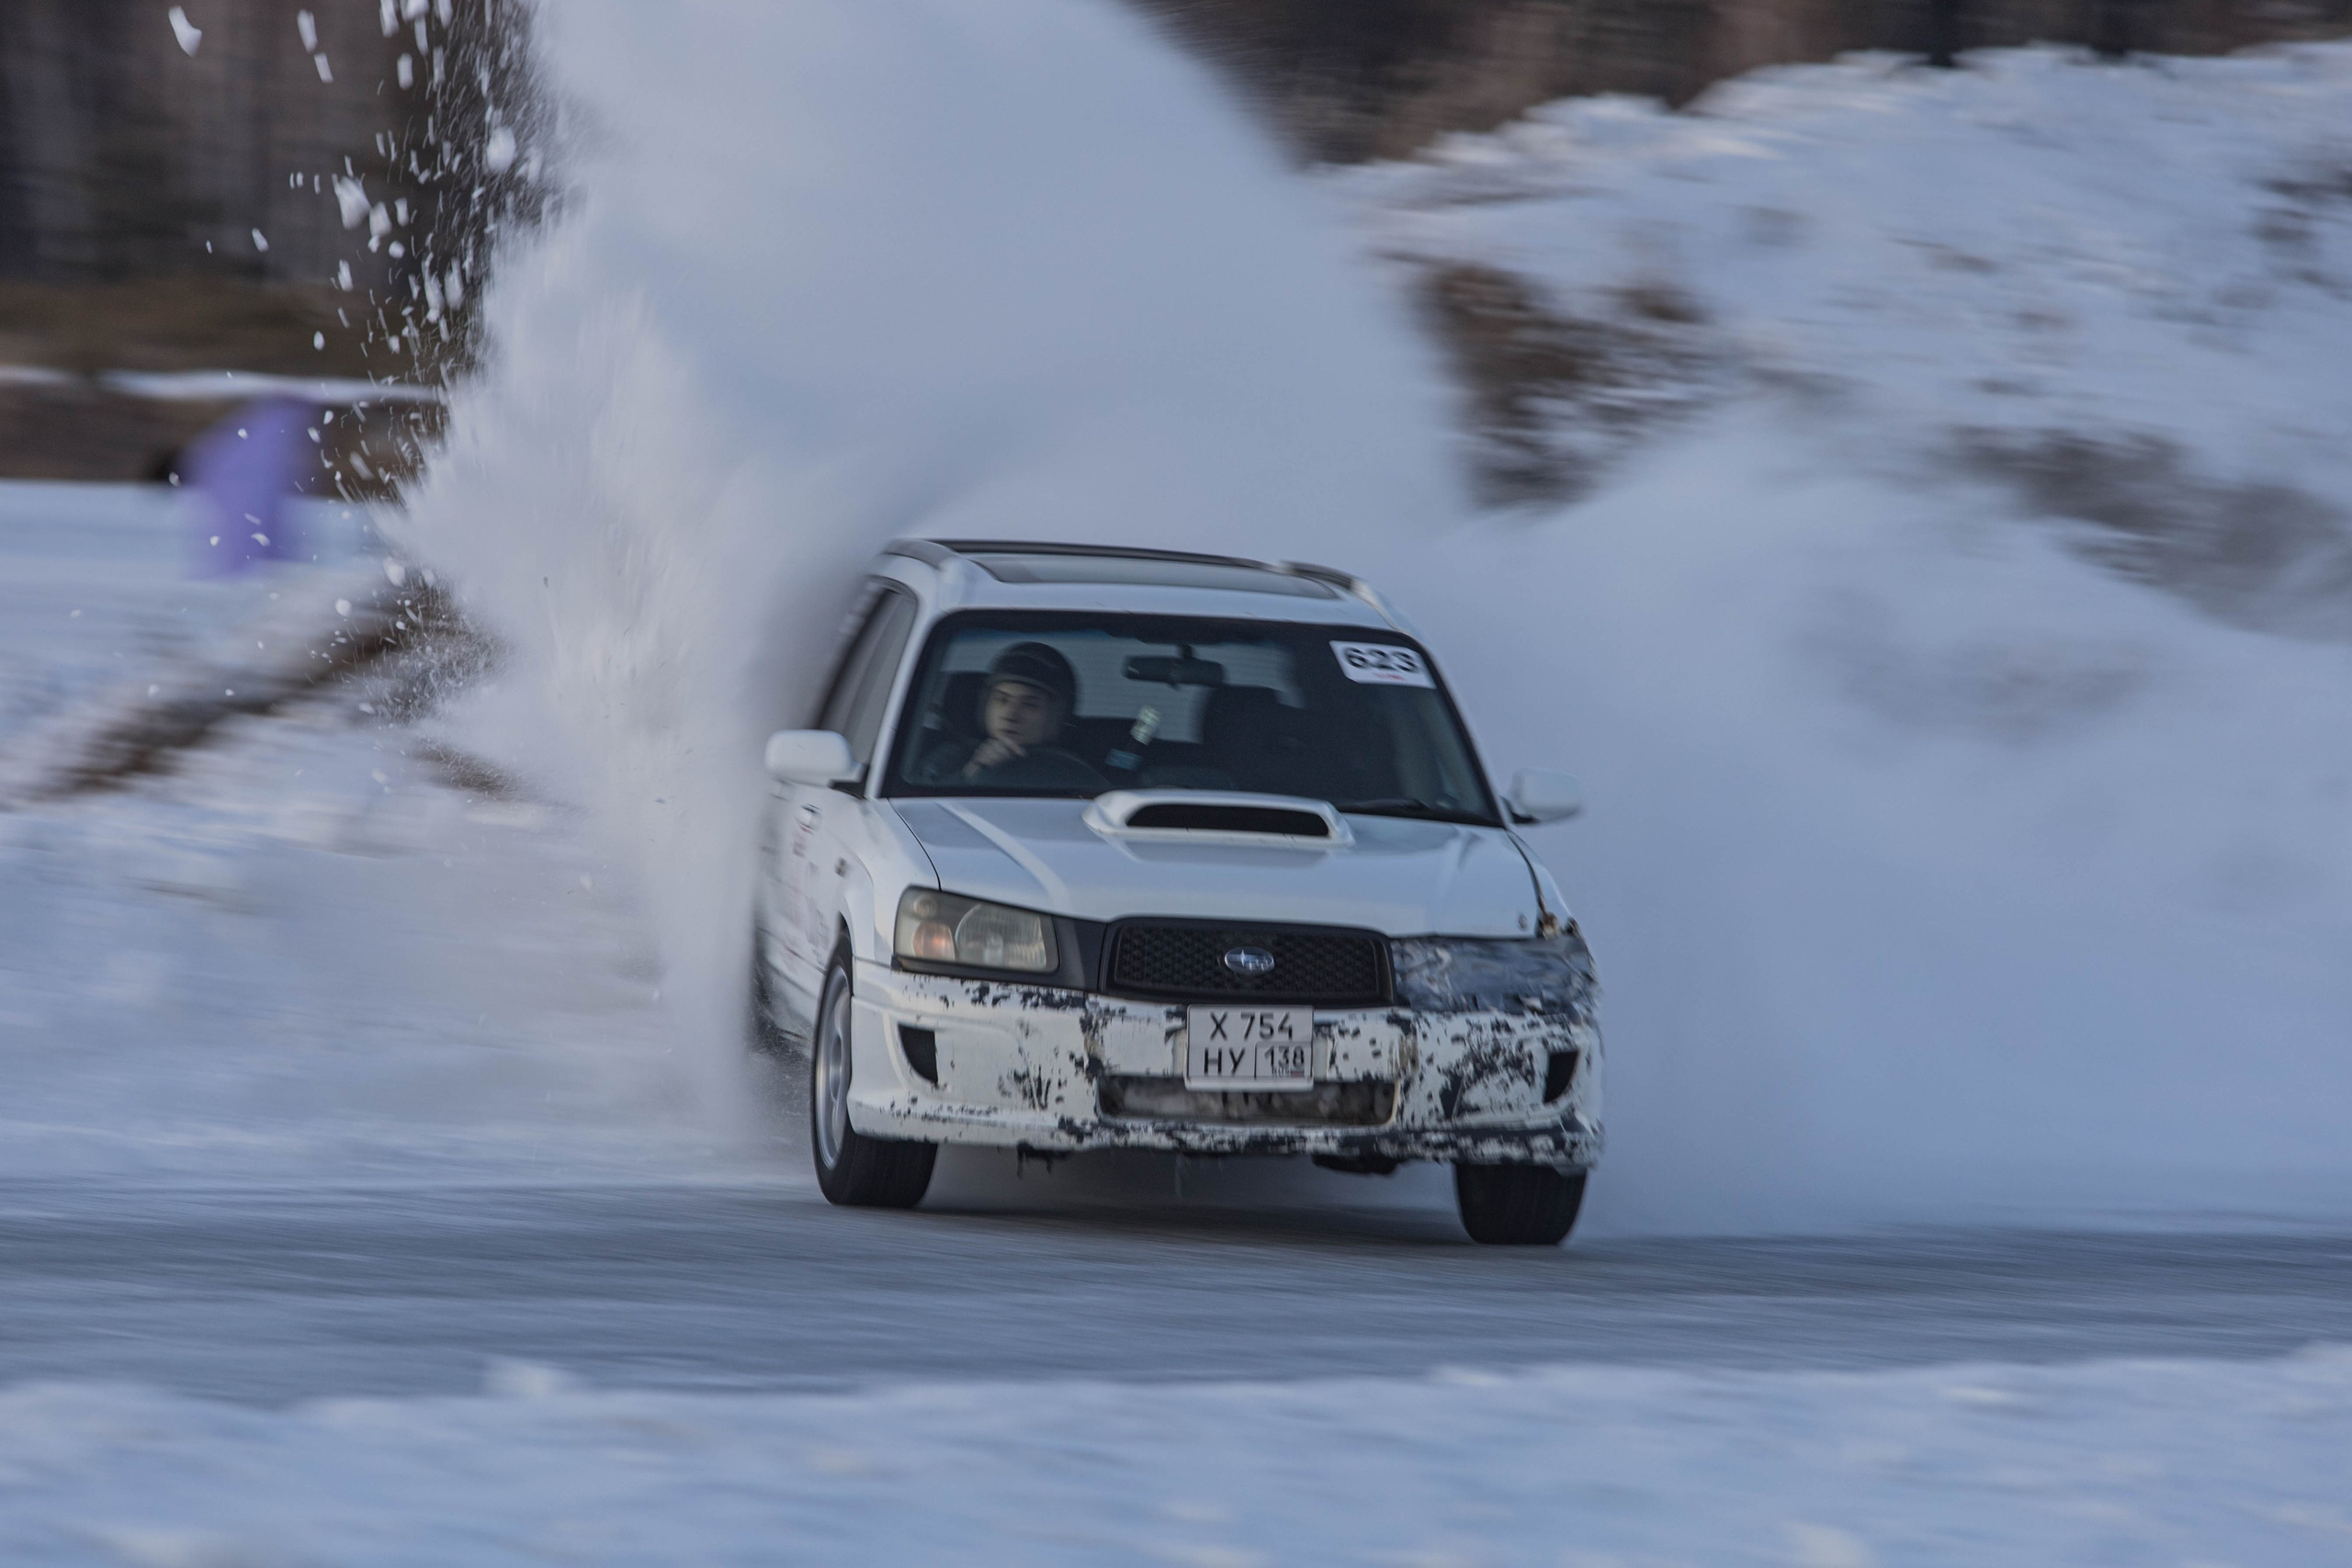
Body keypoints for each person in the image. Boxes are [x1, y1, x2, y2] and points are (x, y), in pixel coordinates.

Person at [917, 642, 1106, 790]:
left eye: (1030, 705)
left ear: (1057, 716)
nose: (1011, 715)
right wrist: (970, 775)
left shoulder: (1084, 767)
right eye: (1001, 700)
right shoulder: (947, 761)